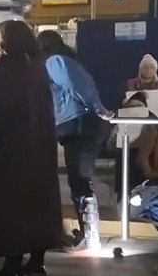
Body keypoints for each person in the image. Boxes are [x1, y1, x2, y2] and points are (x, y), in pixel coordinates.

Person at [0, 21, 62, 276]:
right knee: (36, 206)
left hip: (9, 151)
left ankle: (12, 268)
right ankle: (36, 262)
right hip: (39, 148)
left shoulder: (4, 68)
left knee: (10, 210)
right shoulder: (36, 67)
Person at [37, 31, 113, 251]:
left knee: (80, 181)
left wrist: (100, 110)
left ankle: (89, 237)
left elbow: (77, 88)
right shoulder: (69, 61)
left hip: (79, 124)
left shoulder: (55, 62)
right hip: (80, 124)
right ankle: (88, 234)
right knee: (80, 180)